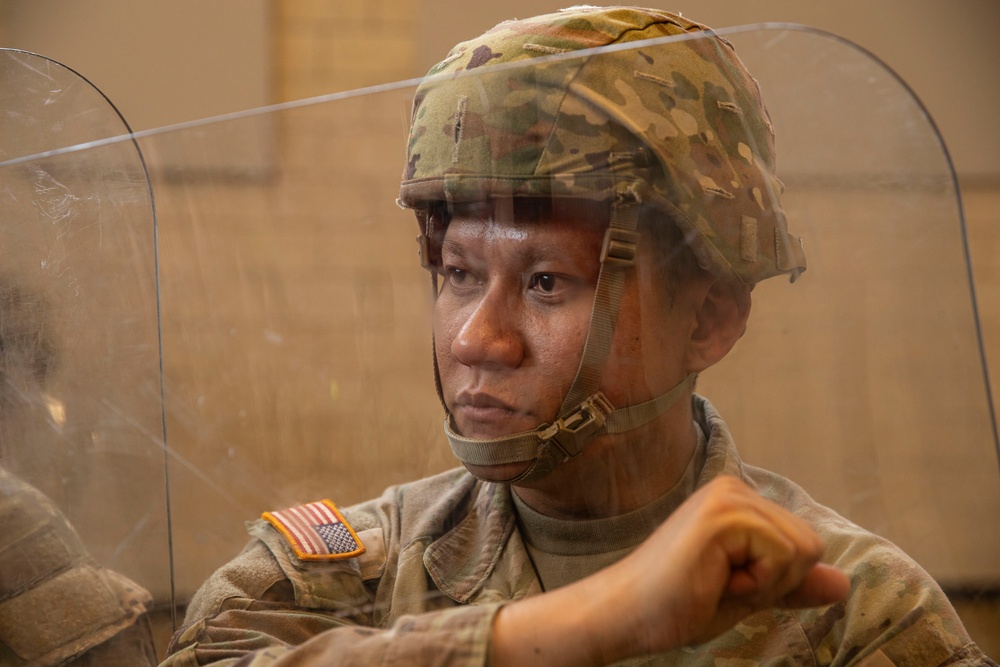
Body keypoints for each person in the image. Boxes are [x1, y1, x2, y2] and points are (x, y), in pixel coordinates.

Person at [161, 6, 994, 665]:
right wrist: (591, 623)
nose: (477, 340)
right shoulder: (343, 578)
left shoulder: (853, 610)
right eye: (458, 272)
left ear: (709, 318)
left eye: (547, 283)